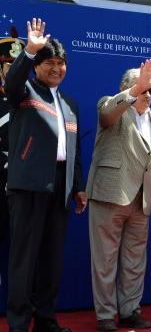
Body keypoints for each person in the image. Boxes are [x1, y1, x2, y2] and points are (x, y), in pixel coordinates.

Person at [4, 18, 87, 332]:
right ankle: (19, 323)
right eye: (50, 62)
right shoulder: (24, 91)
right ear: (37, 66)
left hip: (60, 189)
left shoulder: (70, 105)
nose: (57, 68)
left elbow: (74, 151)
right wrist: (29, 51)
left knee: (51, 261)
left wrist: (77, 187)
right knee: (24, 260)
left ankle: (46, 320)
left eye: (61, 63)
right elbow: (11, 82)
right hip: (28, 187)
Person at [86, 60, 151, 331]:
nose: (147, 93)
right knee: (104, 259)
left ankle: (130, 310)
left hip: (141, 201)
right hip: (110, 194)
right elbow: (108, 113)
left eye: (150, 89)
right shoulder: (110, 105)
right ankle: (106, 316)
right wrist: (133, 93)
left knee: (134, 260)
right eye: (142, 88)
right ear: (124, 89)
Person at [0, 32, 24, 242]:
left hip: (23, 188)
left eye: (20, 65)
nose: (16, 71)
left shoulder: (36, 100)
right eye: (10, 65)